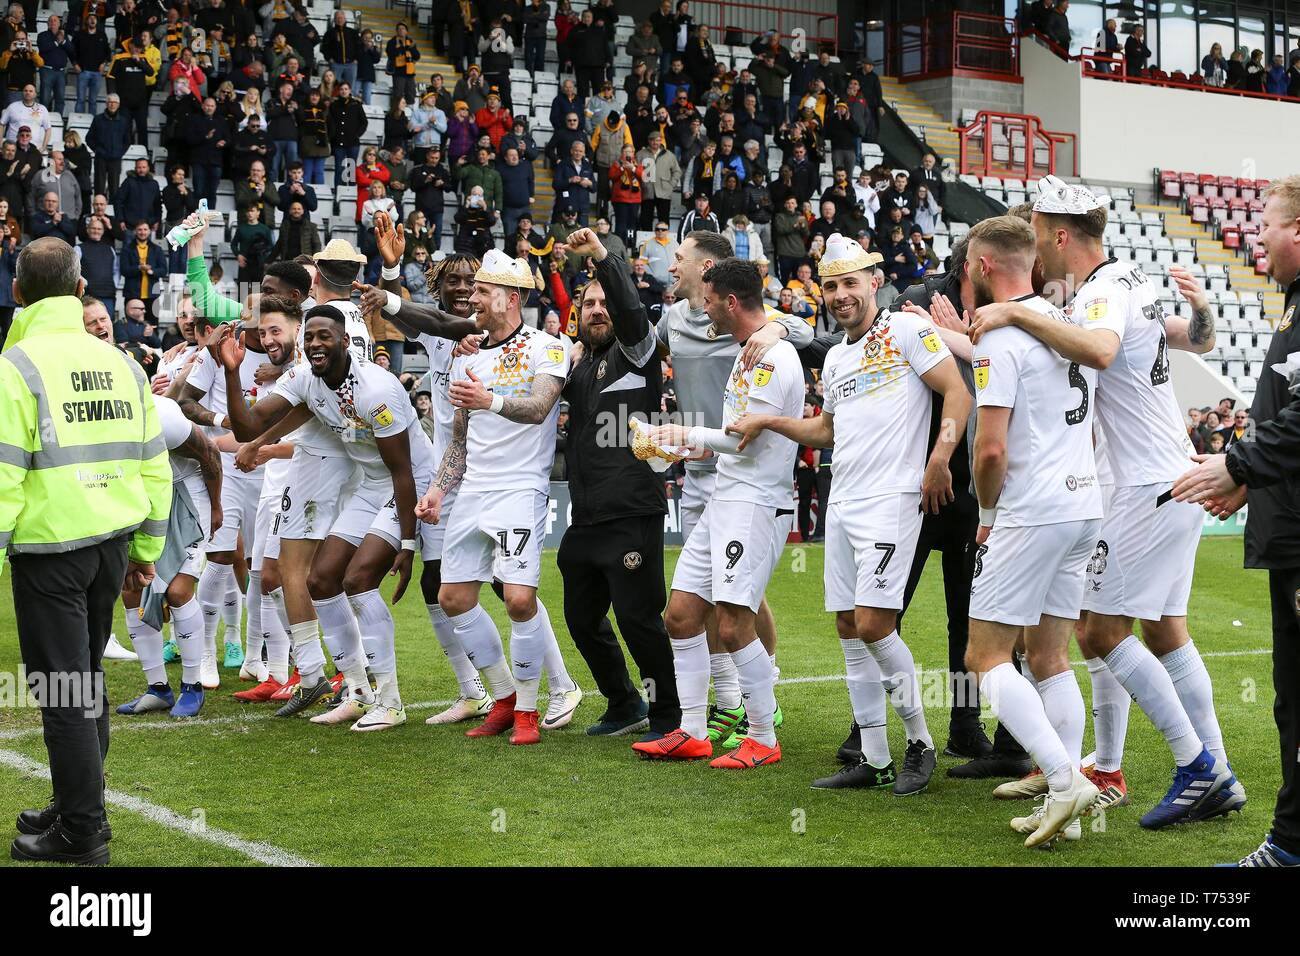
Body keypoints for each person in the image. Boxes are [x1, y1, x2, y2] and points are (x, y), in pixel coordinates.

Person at [971, 176, 1241, 828]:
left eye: (1037, 232)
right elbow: (1198, 339)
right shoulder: (1131, 283)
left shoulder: (1100, 296)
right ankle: (1216, 771)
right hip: (1165, 477)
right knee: (1164, 631)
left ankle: (1197, 767)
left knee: (1097, 632)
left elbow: (1097, 348)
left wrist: (1010, 311)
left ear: (1060, 235)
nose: (1034, 246)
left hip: (1142, 485)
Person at [730, 234, 971, 792]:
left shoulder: (908, 330)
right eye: (831, 285)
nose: (841, 295)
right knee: (846, 625)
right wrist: (769, 421)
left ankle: (920, 743)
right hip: (844, 503)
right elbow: (829, 430)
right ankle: (874, 753)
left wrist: (941, 456)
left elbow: (956, 393)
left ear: (873, 283)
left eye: (850, 284)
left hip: (893, 500)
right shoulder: (836, 356)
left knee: (874, 623)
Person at [2, 237, 170, 865]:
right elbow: (155, 465)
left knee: (65, 691)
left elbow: (2, 476)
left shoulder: (16, 367)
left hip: (51, 549)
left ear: (17, 294)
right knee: (86, 683)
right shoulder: (123, 363)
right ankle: (77, 804)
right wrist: (147, 547)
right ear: (80, 292)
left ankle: (82, 832)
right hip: (111, 545)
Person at [960, 215, 1104, 848]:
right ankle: (1064, 800)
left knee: (985, 656)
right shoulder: (1062, 324)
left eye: (969, 261)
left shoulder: (999, 336)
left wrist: (987, 514)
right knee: (1049, 656)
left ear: (985, 266)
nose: (966, 270)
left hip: (1030, 511)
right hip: (1081, 505)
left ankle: (1065, 779)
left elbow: (991, 451)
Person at [1172, 175, 1300, 867]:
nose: (1256, 239)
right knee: (1292, 699)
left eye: (1267, 227)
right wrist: (1251, 482)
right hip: (1289, 532)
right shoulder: (1291, 308)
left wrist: (1241, 465)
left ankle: (1289, 850)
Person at [633, 257, 800, 768]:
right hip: (726, 497)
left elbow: (747, 441)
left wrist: (684, 437)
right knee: (680, 616)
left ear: (730, 302)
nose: (701, 307)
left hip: (755, 504)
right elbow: (732, 438)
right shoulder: (746, 351)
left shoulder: (774, 358)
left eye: (708, 300)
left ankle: (763, 737)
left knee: (732, 627)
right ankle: (692, 730)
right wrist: (682, 448)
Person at [415, 249, 581, 745]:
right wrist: (437, 490)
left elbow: (539, 408)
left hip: (520, 488)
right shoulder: (471, 354)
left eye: (482, 292)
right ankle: (505, 697)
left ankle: (530, 711)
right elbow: (461, 442)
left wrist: (491, 399)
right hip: (474, 488)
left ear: (511, 299)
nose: (473, 298)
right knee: (453, 597)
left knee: (518, 597)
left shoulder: (548, 347)